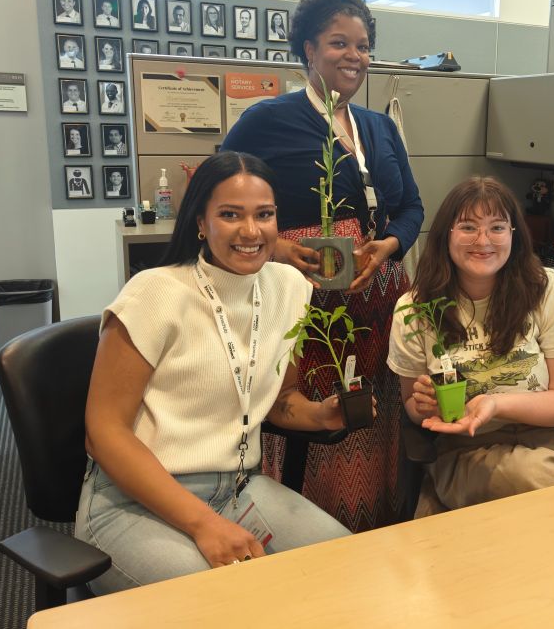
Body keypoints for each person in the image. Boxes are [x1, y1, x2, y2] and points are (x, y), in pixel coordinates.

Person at [74, 152, 351, 594]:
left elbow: (281, 400)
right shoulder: (155, 293)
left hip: (239, 488)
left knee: (345, 565)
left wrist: (320, 415)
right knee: (224, 603)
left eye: (264, 215)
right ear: (200, 222)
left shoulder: (289, 287)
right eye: (230, 215)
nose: (250, 231)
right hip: (133, 500)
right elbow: (103, 433)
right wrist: (204, 524)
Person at [222, 0, 423, 532]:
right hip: (305, 309)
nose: (353, 56)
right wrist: (278, 248)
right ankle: (303, 533)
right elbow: (218, 200)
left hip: (379, 306)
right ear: (309, 49)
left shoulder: (380, 127)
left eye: (362, 46)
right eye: (339, 43)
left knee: (372, 417)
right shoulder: (269, 120)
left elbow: (411, 207)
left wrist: (387, 247)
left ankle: (369, 528)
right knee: (313, 417)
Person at [389, 177, 554, 517]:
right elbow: (412, 405)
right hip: (470, 450)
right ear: (446, 235)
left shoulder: (551, 290)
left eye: (497, 227)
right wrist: (424, 405)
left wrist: (494, 403)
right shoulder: (415, 309)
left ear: (513, 234)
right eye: (468, 227)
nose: (483, 241)